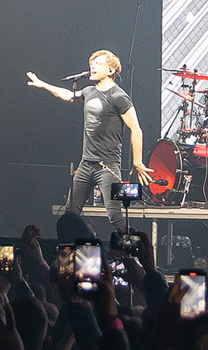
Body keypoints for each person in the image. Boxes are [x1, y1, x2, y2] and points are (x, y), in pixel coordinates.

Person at [29, 51, 147, 229]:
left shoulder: (118, 96)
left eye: (98, 63)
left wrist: (137, 162)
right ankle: (69, 254)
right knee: (70, 214)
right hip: (85, 165)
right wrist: (43, 85)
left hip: (107, 167)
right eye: (92, 63)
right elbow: (68, 95)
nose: (92, 66)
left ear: (110, 70)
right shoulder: (88, 91)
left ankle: (134, 251)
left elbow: (136, 129)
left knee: (115, 216)